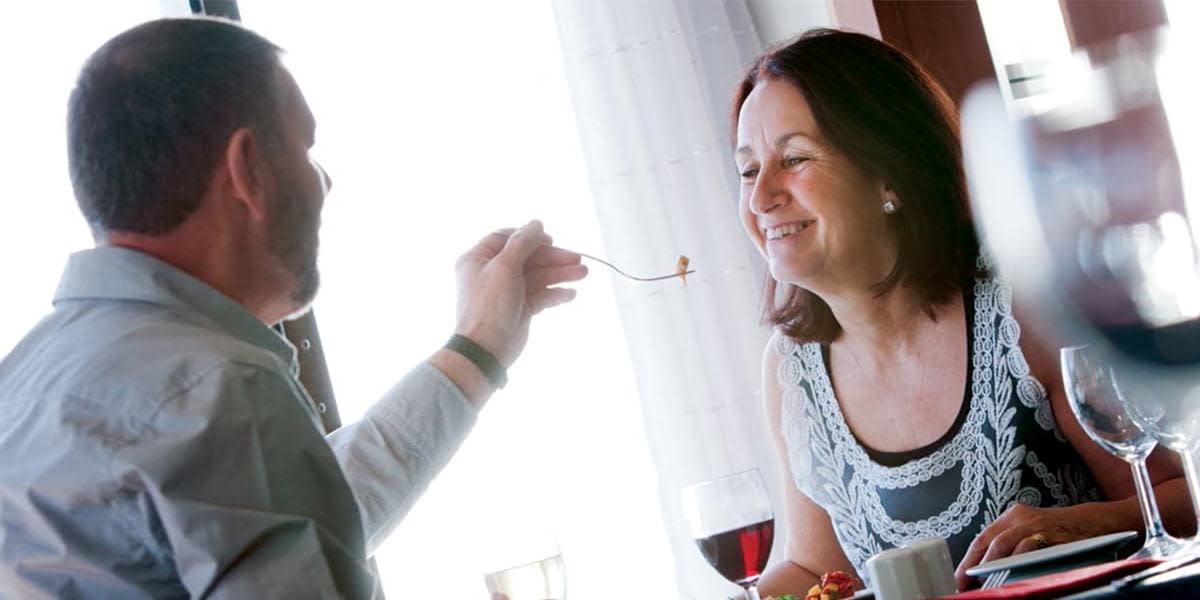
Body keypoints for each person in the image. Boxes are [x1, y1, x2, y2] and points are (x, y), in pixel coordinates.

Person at [0, 17, 586, 598]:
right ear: (248, 168)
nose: (323, 182)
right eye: (306, 148)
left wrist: (477, 346)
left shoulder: (27, 382)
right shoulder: (218, 390)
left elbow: (294, 519)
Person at [731, 29, 1194, 596]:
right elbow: (814, 571)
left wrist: (1085, 523)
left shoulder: (1021, 311)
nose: (761, 198)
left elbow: (1180, 496)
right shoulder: (792, 371)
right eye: (749, 170)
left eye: (795, 158)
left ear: (889, 174)